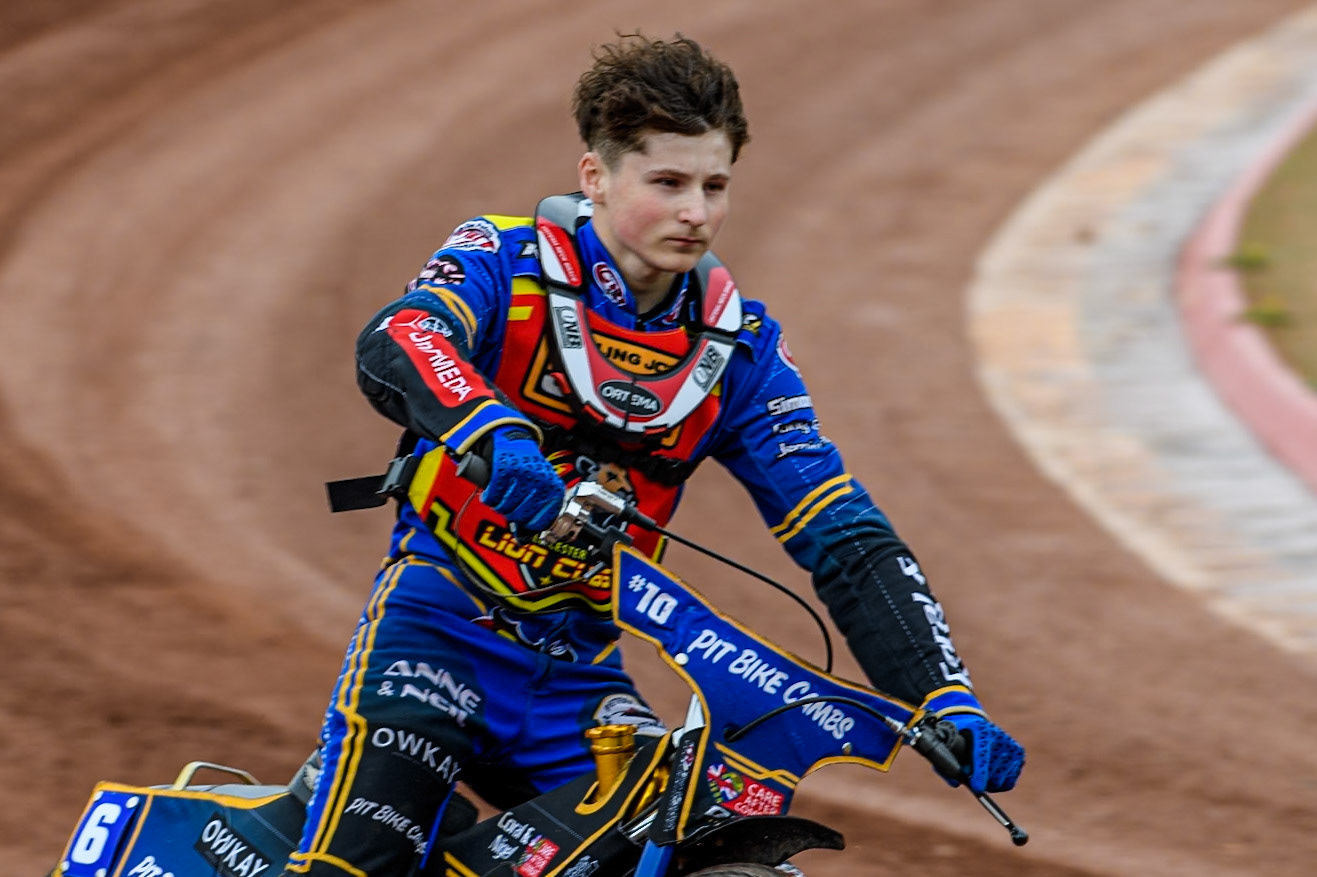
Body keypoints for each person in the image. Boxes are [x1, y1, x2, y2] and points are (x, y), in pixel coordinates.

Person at [286, 33, 1024, 876]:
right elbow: (400, 336)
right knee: (356, 863)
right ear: (595, 177)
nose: (696, 213)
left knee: (711, 851)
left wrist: (942, 689)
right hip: (436, 633)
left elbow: (842, 533)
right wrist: (494, 435)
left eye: (715, 186)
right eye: (667, 183)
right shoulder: (503, 258)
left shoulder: (742, 349)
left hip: (577, 678)